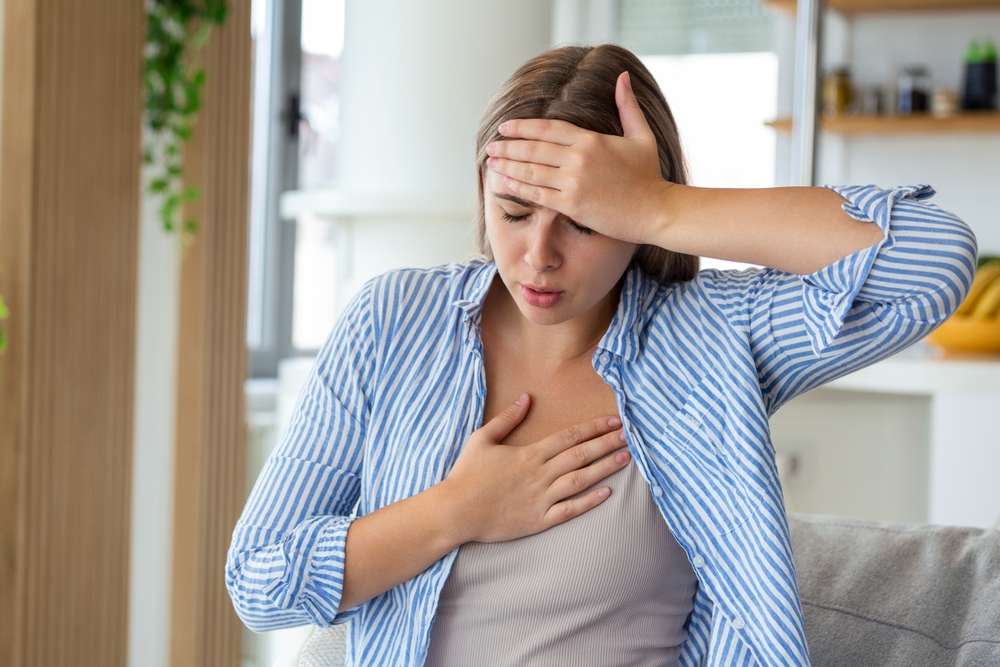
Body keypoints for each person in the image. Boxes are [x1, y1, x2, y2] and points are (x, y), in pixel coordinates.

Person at [227, 44, 977, 666]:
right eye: (513, 211)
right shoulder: (393, 320)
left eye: (584, 221)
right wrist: (455, 511)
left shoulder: (714, 334)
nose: (539, 256)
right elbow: (260, 580)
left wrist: (661, 206)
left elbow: (935, 262)